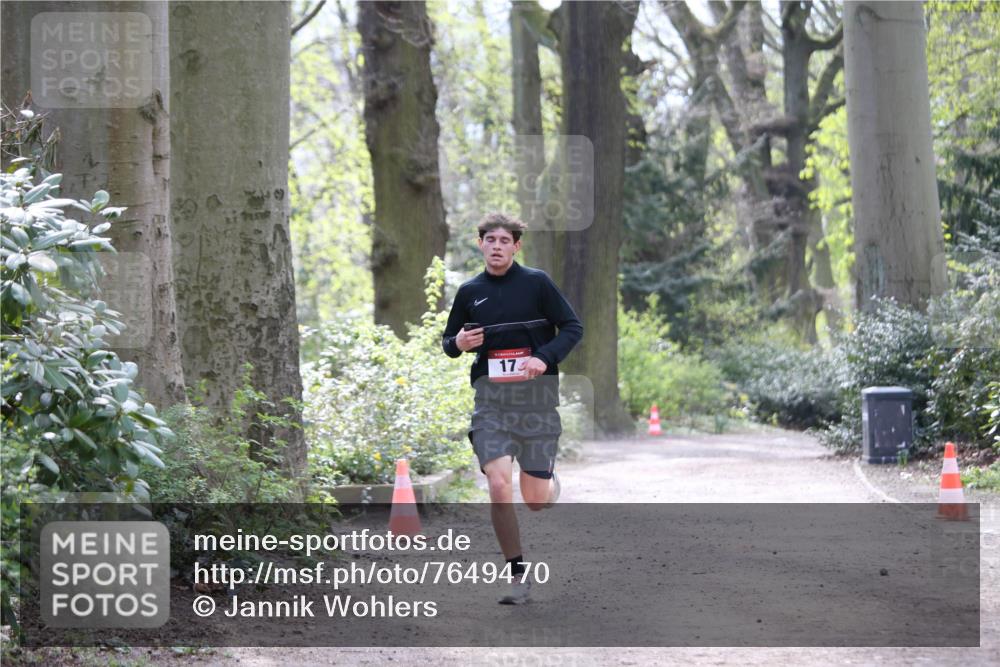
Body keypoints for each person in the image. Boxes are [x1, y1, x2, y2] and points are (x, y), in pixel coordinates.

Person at [442, 212, 583, 605]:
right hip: (492, 405)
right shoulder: (470, 292)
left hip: (536, 403)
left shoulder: (536, 283)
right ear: (481, 244)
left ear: (516, 245)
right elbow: (449, 342)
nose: (498, 246)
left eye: (506, 240)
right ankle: (517, 576)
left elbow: (572, 327)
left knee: (536, 501)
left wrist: (542, 357)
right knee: (499, 486)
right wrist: (460, 344)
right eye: (491, 240)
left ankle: (550, 483)